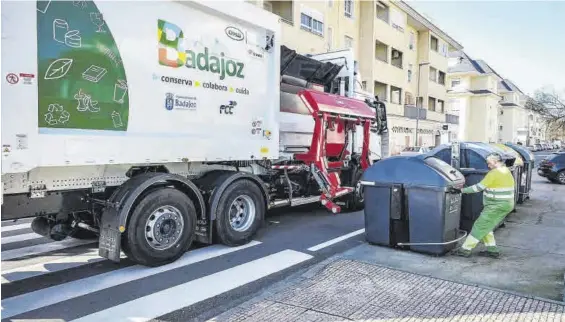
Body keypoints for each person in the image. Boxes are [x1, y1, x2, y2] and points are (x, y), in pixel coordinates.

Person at [454, 153, 515, 258]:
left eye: (489, 163)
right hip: (506, 204)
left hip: (496, 206)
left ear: (495, 162)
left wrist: (461, 191)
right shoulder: (506, 170)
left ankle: (465, 250)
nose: (488, 165)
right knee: (486, 226)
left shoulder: (494, 173)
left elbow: (478, 187)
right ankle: (492, 251)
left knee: (479, 226)